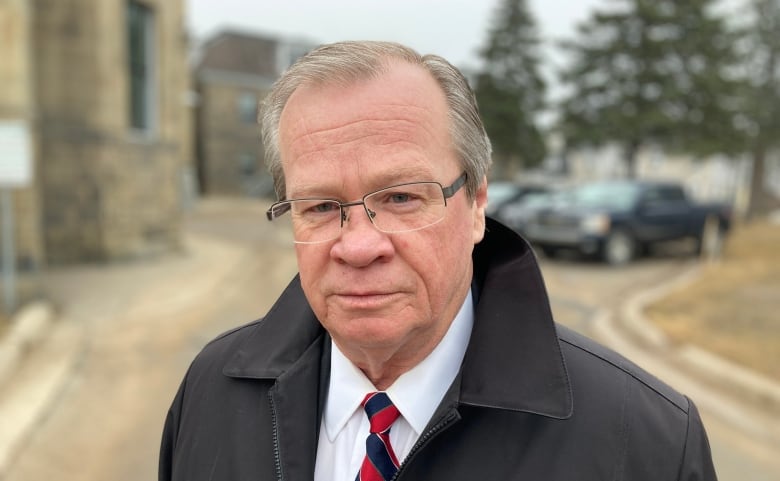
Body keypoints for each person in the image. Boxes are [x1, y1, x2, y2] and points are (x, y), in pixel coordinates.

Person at [159, 41, 717, 481]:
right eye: (322, 206)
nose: (357, 246)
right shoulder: (211, 391)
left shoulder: (646, 442)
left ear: (476, 205)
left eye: (401, 198)